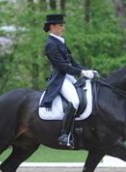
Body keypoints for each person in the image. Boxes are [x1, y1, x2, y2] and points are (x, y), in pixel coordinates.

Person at [41, 14, 96, 148]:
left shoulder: (61, 41)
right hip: (60, 79)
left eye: (62, 25)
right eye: (60, 25)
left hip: (69, 76)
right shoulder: (50, 44)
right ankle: (64, 135)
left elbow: (72, 63)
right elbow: (62, 66)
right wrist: (81, 73)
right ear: (52, 27)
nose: (63, 28)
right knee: (75, 101)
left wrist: (87, 71)